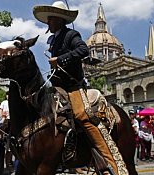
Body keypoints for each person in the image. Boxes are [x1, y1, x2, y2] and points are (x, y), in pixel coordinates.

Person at [33, 1, 121, 174]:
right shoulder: (54, 39)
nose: (48, 22)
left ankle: (107, 161)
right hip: (57, 87)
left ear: (59, 19)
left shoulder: (71, 34)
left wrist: (60, 59)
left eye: (51, 18)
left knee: (83, 115)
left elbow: (83, 51)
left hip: (73, 87)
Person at [0, 91, 13, 171]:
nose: (8, 96)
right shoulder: (4, 102)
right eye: (7, 95)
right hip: (5, 120)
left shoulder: (13, 102)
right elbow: (1, 111)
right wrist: (1, 118)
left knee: (9, 144)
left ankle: (9, 163)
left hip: (11, 120)